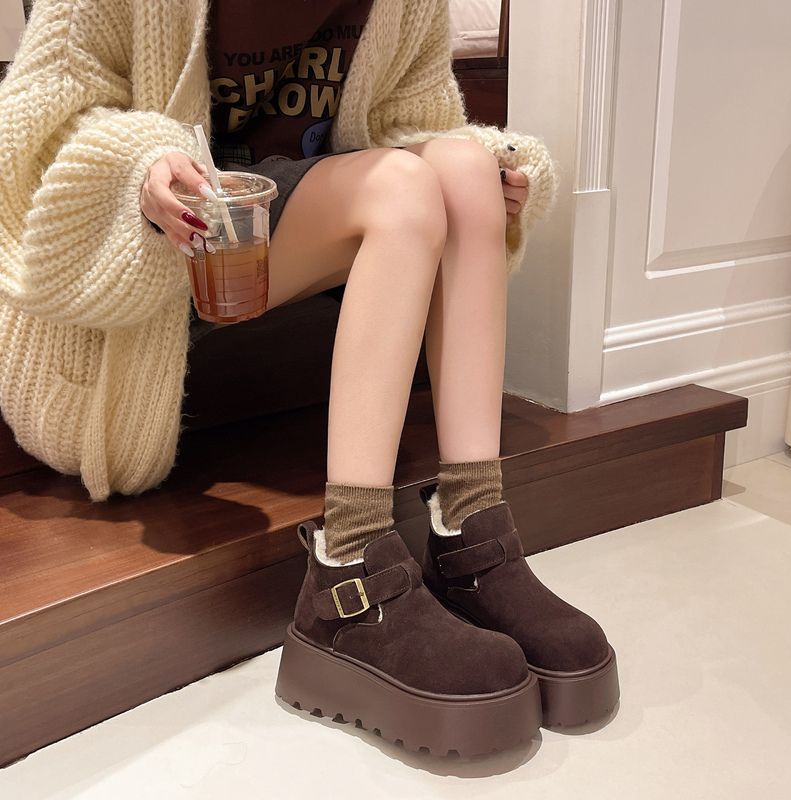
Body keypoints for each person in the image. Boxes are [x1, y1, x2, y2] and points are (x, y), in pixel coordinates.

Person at [0, 0, 618, 756]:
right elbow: (31, 127)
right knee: (401, 186)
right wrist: (136, 167)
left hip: (287, 225)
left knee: (461, 169)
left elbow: (408, 120)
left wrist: (495, 176)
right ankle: (348, 571)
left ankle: (473, 535)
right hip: (149, 257)